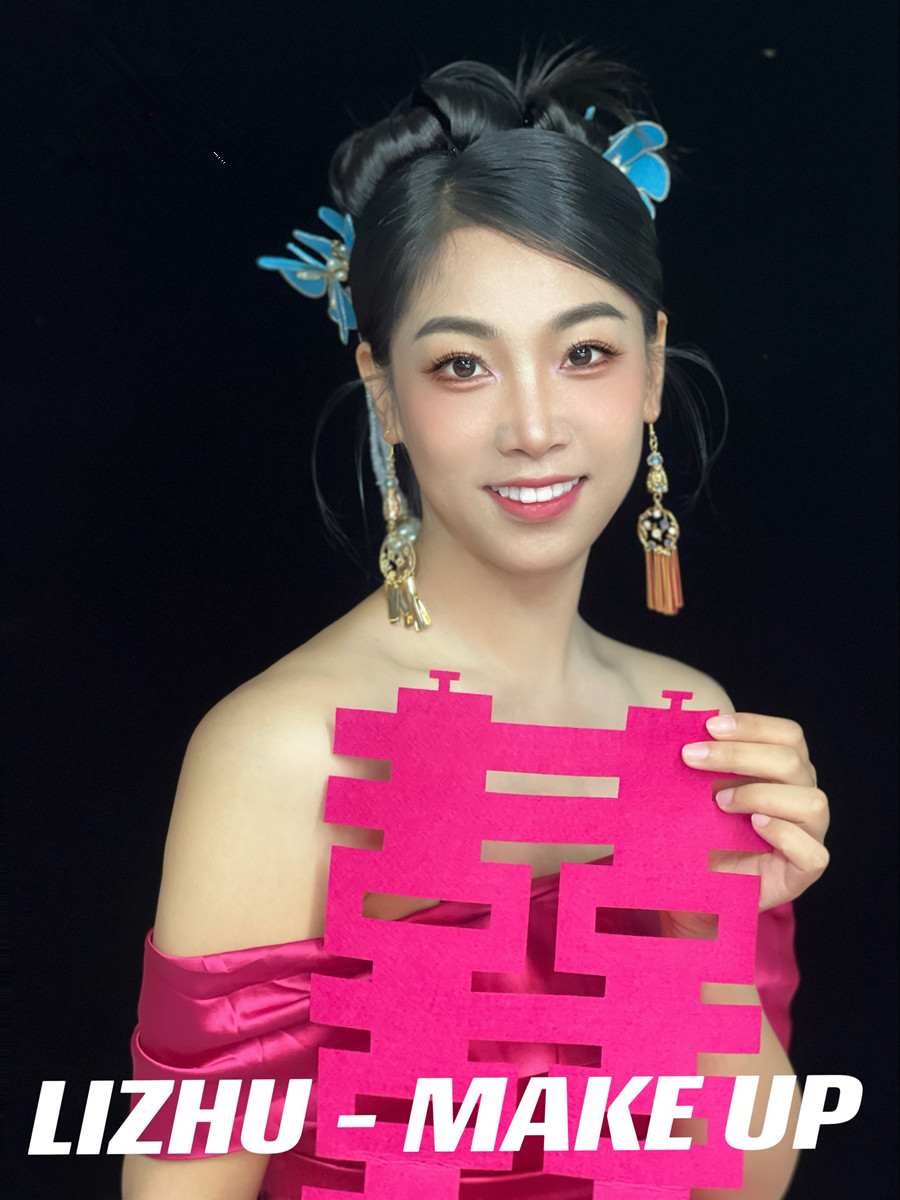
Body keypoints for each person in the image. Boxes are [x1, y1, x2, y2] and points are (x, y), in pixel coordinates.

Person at [122, 47, 829, 1200]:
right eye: (463, 365)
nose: (535, 426)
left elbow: (743, 1175)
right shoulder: (283, 754)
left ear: (652, 370)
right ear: (385, 393)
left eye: (586, 352)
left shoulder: (688, 721)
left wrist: (704, 928)